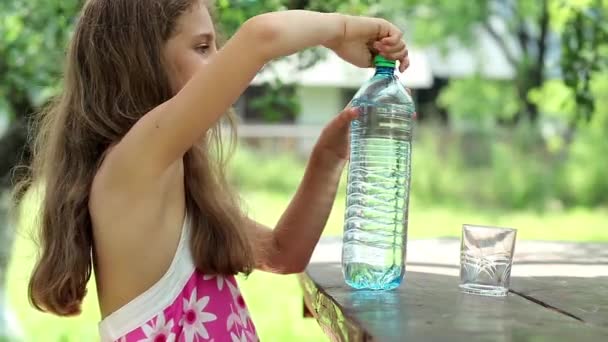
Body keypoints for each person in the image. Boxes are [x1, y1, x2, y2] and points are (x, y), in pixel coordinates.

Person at [16, 0, 409, 341]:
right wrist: (341, 30)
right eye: (203, 47)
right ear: (140, 61)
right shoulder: (131, 166)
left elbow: (282, 254)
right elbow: (261, 36)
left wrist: (327, 156)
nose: (220, 61)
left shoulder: (169, 184)